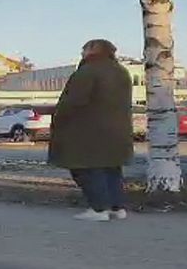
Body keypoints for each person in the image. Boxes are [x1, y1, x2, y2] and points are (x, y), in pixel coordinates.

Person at [48, 39, 133, 222]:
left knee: (86, 169)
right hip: (117, 131)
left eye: (84, 49)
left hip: (88, 130)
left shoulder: (88, 72)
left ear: (94, 50)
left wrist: (59, 119)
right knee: (111, 168)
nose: (82, 53)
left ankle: (98, 208)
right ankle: (117, 208)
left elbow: (73, 102)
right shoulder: (121, 71)